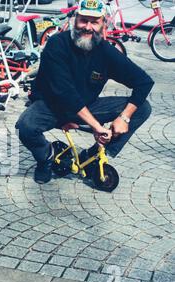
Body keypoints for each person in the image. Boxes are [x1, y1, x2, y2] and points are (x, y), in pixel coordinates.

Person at [15, 0, 154, 184]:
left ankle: (94, 154)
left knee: (142, 108)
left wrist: (124, 118)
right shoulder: (56, 44)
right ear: (75, 20)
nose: (88, 27)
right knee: (26, 126)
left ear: (104, 24)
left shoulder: (106, 52)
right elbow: (65, 93)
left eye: (94, 22)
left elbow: (144, 82)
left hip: (87, 107)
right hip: (51, 106)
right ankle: (46, 158)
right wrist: (97, 127)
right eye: (83, 20)